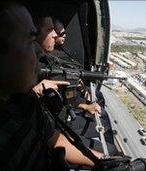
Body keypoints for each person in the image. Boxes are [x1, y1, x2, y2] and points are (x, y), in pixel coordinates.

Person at [0, 1, 103, 170]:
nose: (39, 51)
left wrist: (106, 161)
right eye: (29, 40)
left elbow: (55, 140)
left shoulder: (23, 98)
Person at [33, 14, 117, 155]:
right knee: (111, 149)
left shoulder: (48, 60)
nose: (55, 35)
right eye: (50, 30)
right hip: (58, 128)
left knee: (105, 123)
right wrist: (35, 91)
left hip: (62, 119)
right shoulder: (35, 69)